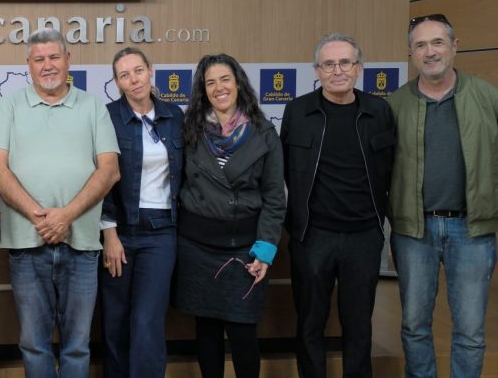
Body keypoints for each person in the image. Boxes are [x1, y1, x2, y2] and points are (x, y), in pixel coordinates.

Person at [389, 14, 498, 378]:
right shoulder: (394, 104)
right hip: (414, 231)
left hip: (472, 230)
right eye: (420, 45)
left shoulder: (489, 97)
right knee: (414, 326)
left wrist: (487, 202)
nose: (430, 52)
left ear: (454, 46)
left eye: (437, 43)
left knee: (470, 331)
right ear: (411, 54)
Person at [0, 28, 120, 378]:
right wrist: (43, 218)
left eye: (54, 57)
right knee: (34, 343)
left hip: (82, 245)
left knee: (78, 345)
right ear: (28, 65)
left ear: (67, 60)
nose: (47, 66)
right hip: (26, 245)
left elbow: (109, 171)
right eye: (39, 59)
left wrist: (66, 216)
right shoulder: (8, 106)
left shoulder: (93, 107)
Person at [280, 34, 396, 378]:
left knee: (359, 324)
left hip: (364, 236)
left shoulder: (379, 111)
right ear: (317, 70)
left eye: (345, 62)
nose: (337, 70)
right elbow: (282, 170)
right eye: (328, 64)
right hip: (312, 235)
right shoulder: (297, 111)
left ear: (358, 68)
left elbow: (392, 168)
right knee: (310, 322)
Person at [171, 53, 286, 378]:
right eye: (210, 82)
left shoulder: (264, 132)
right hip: (196, 246)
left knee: (242, 330)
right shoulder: (188, 130)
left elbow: (275, 198)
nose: (219, 87)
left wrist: (264, 251)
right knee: (205, 330)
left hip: (244, 248)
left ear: (238, 83)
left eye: (225, 79)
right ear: (202, 90)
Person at [98, 47, 183, 377]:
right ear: (117, 82)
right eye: (124, 75)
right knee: (116, 321)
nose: (133, 79)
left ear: (151, 70)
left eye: (138, 71)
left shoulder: (175, 115)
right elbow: (100, 178)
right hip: (119, 232)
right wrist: (109, 232)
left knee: (148, 322)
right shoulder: (106, 116)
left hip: (162, 232)